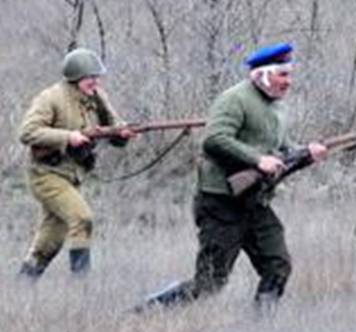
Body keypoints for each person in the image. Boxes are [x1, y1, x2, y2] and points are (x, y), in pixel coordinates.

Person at [141, 44, 326, 310]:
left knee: (277, 266)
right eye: (282, 75)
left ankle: (262, 328)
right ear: (263, 75)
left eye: (289, 74)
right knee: (209, 284)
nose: (289, 82)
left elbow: (283, 153)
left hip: (255, 202)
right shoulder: (235, 99)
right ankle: (148, 311)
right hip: (221, 203)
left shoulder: (277, 108)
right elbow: (214, 139)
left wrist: (307, 154)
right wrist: (257, 159)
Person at [17, 49, 135, 278]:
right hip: (46, 174)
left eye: (97, 77)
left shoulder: (97, 97)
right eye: (91, 77)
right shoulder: (51, 98)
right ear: (76, 77)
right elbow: (28, 132)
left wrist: (123, 134)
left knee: (50, 242)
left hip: (72, 176)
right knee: (82, 219)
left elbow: (114, 128)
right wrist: (67, 137)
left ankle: (21, 288)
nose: (96, 82)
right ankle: (81, 291)